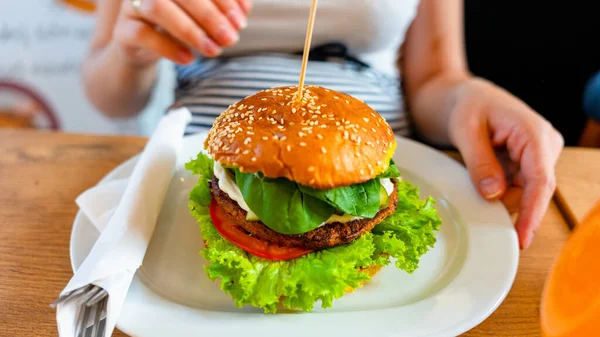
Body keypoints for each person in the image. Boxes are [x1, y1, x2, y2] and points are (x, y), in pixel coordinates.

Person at [81, 0, 563, 250]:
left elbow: (436, 74)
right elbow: (111, 97)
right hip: (208, 145)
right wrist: (132, 47)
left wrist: (468, 97)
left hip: (376, 147)